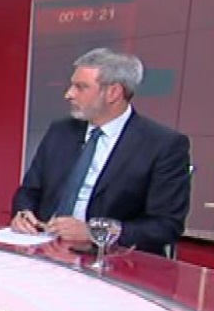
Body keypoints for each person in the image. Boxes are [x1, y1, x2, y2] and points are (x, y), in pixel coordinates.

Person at [11, 48, 191, 255]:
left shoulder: (163, 145)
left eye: (81, 87)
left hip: (113, 259)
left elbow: (166, 225)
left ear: (113, 92)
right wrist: (23, 213)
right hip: (44, 248)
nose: (68, 94)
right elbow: (29, 191)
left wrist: (94, 233)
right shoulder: (60, 132)